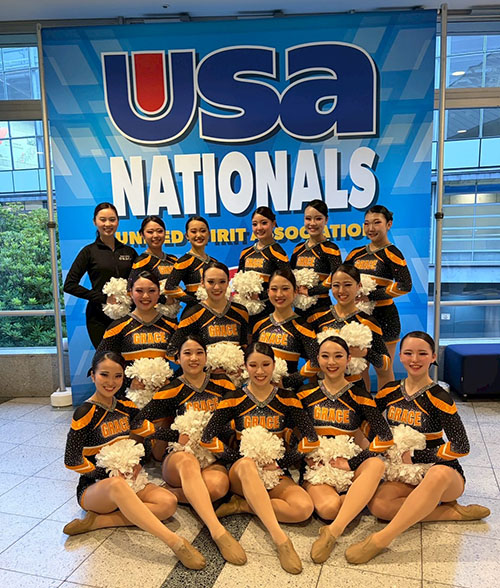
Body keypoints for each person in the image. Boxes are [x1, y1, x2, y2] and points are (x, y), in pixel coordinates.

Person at [345, 332, 490, 565]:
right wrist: (383, 442)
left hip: (441, 473)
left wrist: (416, 455)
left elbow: (461, 446)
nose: (415, 359)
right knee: (379, 506)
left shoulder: (439, 397)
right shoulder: (389, 391)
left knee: (438, 474)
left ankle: (380, 540)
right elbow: (368, 420)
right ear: (401, 356)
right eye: (409, 353)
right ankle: (450, 513)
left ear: (433, 357)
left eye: (422, 353)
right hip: (403, 472)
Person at [63, 351, 205, 570]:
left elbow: (146, 432)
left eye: (117, 376)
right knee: (117, 484)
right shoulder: (85, 412)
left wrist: (176, 437)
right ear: (92, 375)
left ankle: (98, 521)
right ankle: (175, 543)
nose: (111, 382)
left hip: (129, 482)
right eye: (104, 375)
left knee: (168, 503)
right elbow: (71, 460)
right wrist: (110, 472)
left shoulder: (126, 407)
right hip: (95, 488)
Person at [201, 342, 319, 574]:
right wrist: (237, 456)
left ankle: (244, 506)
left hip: (274, 472)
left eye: (265, 364)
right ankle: (280, 540)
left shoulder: (287, 398)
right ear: (245, 367)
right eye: (253, 365)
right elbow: (207, 437)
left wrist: (280, 463)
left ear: (274, 365)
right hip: (241, 472)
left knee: (303, 509)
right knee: (247, 465)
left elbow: (311, 439)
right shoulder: (233, 398)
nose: (260, 371)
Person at [130, 334, 247, 566]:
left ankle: (169, 494)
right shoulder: (172, 389)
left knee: (218, 487)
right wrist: (175, 436)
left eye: (199, 353)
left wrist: (217, 438)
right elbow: (138, 422)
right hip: (179, 457)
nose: (194, 358)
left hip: (211, 456)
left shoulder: (222, 384)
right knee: (187, 461)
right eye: (187, 353)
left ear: (206, 356)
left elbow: (236, 417)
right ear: (178, 358)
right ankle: (217, 531)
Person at [297, 336, 393, 564]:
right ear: (317, 359)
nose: (332, 362)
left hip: (348, 466)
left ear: (348, 359)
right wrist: (305, 456)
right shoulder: (304, 394)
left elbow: (384, 436)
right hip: (318, 470)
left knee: (376, 464)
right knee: (329, 509)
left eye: (338, 356)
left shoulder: (359, 395)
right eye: (325, 356)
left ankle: (333, 532)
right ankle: (355, 503)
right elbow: (292, 433)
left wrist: (352, 463)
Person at [345, 205, 412, 388]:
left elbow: (405, 285)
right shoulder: (356, 253)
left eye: (377, 223)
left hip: (385, 317)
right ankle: (365, 404)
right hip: (359, 318)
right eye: (367, 223)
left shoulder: (392, 252)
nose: (371, 228)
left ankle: (386, 404)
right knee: (359, 368)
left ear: (388, 224)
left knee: (384, 368)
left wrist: (372, 295)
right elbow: (341, 278)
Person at [64, 202, 137, 348]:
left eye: (112, 219)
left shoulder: (129, 252)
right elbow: (69, 285)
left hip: (129, 314)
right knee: (106, 357)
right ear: (95, 222)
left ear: (118, 221)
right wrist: (103, 298)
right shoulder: (89, 252)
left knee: (129, 357)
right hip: (98, 317)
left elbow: (140, 281)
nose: (107, 224)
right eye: (102, 220)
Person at [307, 264, 390, 387]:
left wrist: (366, 353)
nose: (341, 291)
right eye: (336, 285)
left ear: (359, 286)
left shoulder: (368, 322)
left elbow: (386, 364)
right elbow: (308, 354)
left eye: (347, 285)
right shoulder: (316, 317)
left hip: (354, 389)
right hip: (322, 387)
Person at [252, 268, 319, 389]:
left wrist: (288, 382)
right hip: (260, 391)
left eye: (285, 289)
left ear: (295, 291)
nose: (279, 294)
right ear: (268, 292)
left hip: (288, 394)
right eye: (274, 289)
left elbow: (316, 361)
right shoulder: (259, 325)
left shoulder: (303, 327)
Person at [96, 270, 177, 369]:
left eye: (151, 290)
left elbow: (187, 361)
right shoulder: (117, 327)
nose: (145, 296)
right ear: (130, 293)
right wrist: (126, 379)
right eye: (139, 291)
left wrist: (172, 379)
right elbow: (99, 364)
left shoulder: (172, 326)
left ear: (159, 293)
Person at [168, 260, 249, 354]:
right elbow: (171, 350)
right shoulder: (192, 314)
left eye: (222, 282)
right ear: (202, 283)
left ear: (228, 282)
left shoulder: (241, 311)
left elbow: (244, 346)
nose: (217, 287)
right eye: (211, 282)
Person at [238, 207, 290, 325]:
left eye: (264, 223)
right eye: (255, 224)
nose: (259, 228)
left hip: (270, 312)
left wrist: (260, 296)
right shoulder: (245, 252)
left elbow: (288, 284)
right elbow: (238, 280)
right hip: (247, 312)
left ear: (273, 224)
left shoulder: (278, 253)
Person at [290, 199, 342, 315]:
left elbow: (337, 278)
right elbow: (289, 276)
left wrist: (311, 291)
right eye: (308, 218)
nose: (312, 223)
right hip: (299, 308)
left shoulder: (331, 249)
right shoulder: (298, 249)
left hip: (322, 308)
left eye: (318, 219)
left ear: (326, 220)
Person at [164, 216, 215, 307]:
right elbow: (169, 287)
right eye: (193, 231)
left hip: (214, 309)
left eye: (203, 231)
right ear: (187, 236)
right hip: (194, 311)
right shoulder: (184, 261)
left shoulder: (214, 262)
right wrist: (193, 301)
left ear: (209, 234)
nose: (199, 235)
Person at [128, 216, 177, 292]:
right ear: (142, 234)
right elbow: (130, 290)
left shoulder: (173, 259)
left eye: (160, 231)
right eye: (150, 232)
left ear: (165, 233)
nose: (156, 235)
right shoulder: (141, 262)